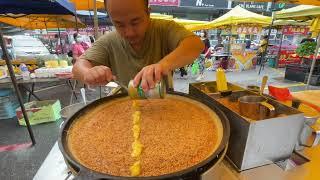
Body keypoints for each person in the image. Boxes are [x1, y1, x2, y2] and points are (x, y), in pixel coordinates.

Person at [72, 0, 204, 91]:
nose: (129, 32)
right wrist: (88, 73)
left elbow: (195, 45)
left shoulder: (164, 29)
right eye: (119, 24)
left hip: (164, 100)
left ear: (148, 13)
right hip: (124, 103)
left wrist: (162, 65)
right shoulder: (109, 41)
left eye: (135, 22)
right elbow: (78, 66)